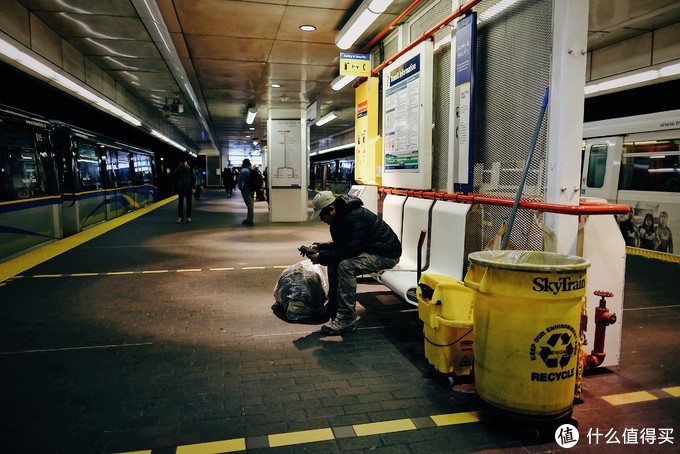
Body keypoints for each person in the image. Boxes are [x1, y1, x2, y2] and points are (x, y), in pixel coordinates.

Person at [305, 191, 401, 335]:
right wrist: (320, 247)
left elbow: (349, 250)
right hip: (371, 250)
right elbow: (345, 245)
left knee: (346, 266)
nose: (321, 219)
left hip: (386, 255)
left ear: (331, 210)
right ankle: (333, 306)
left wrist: (321, 257)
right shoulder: (341, 217)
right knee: (334, 260)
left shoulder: (352, 217)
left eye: (322, 215)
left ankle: (346, 319)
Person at [173, 157, 196, 223]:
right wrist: (174, 189)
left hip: (189, 189)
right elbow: (174, 180)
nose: (184, 164)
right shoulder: (177, 170)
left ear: (186, 162)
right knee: (180, 204)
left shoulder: (191, 169)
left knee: (189, 204)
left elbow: (194, 179)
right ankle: (180, 217)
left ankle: (188, 217)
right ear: (180, 163)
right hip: (180, 189)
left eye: (185, 162)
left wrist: (193, 188)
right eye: (182, 162)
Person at [237, 158, 254, 225]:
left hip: (246, 190)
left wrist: (240, 188)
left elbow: (241, 181)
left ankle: (249, 220)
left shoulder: (243, 171)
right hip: (252, 189)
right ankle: (249, 219)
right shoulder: (252, 169)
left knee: (249, 205)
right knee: (251, 205)